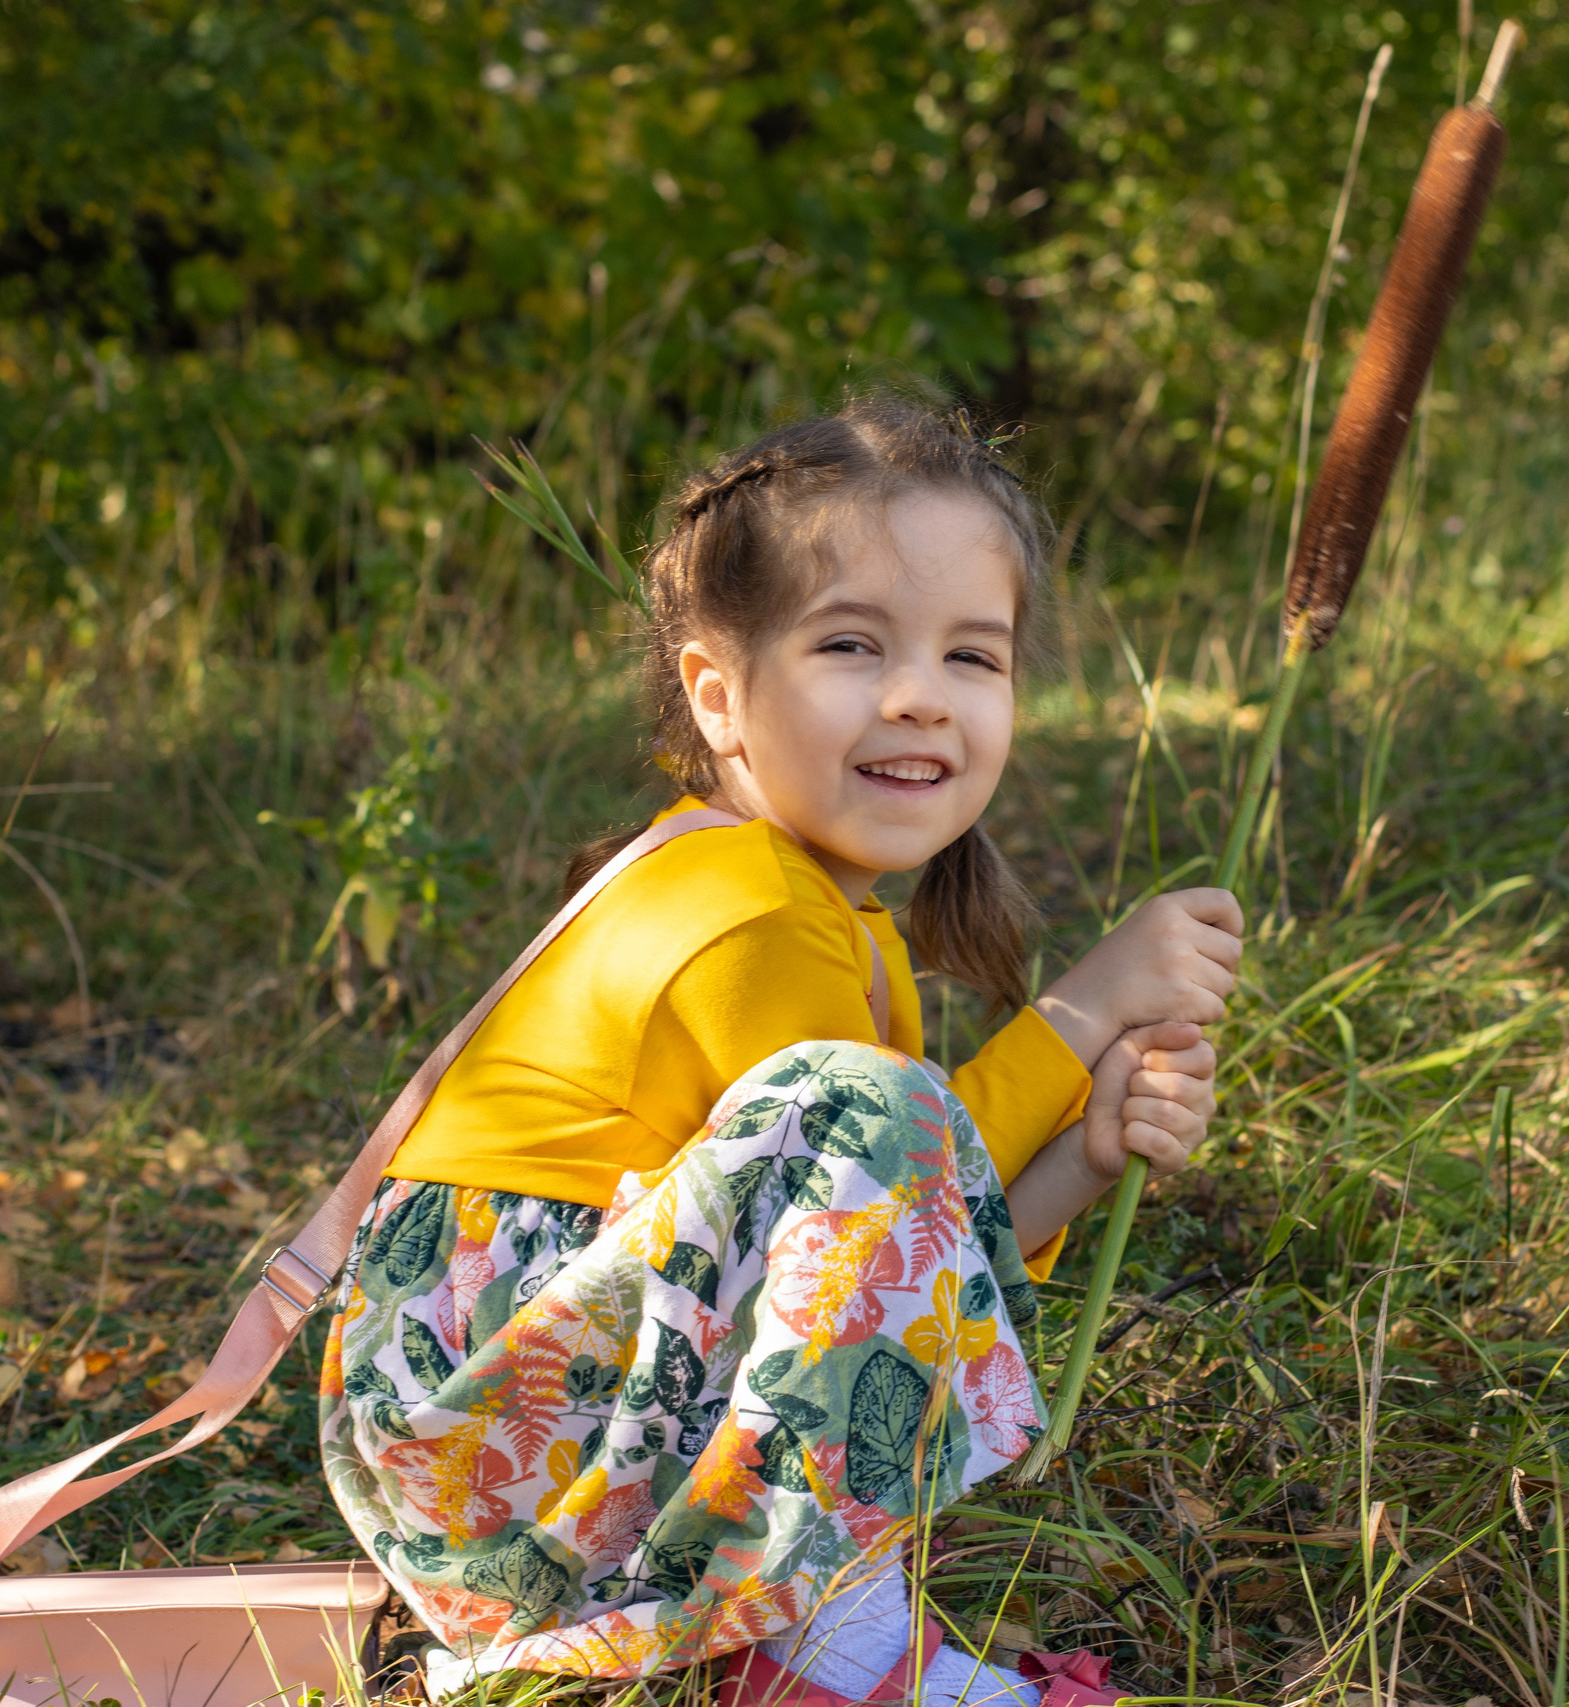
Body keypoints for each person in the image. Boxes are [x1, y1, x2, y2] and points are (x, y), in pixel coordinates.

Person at [318, 397, 1243, 1703]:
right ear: (719, 694)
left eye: (972, 657)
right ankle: (830, 1663)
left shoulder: (821, 908)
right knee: (861, 1104)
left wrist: (1082, 1157)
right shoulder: (746, 905)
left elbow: (886, 1260)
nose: (919, 697)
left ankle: (801, 1644)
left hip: (533, 1443)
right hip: (490, 1443)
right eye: (852, 645)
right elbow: (876, 1192)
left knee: (871, 1113)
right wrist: (1082, 1012)